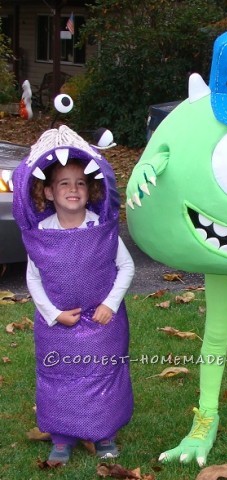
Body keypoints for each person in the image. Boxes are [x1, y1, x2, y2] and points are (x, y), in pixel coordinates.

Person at [12, 126, 135, 465]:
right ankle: (62, 436)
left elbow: (125, 267)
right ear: (49, 193)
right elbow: (33, 279)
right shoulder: (42, 234)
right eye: (64, 183)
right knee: (59, 377)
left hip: (102, 323)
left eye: (80, 183)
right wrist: (52, 314)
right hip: (58, 326)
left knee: (102, 374)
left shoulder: (101, 228)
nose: (73, 189)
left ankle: (104, 432)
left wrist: (110, 304)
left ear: (90, 189)